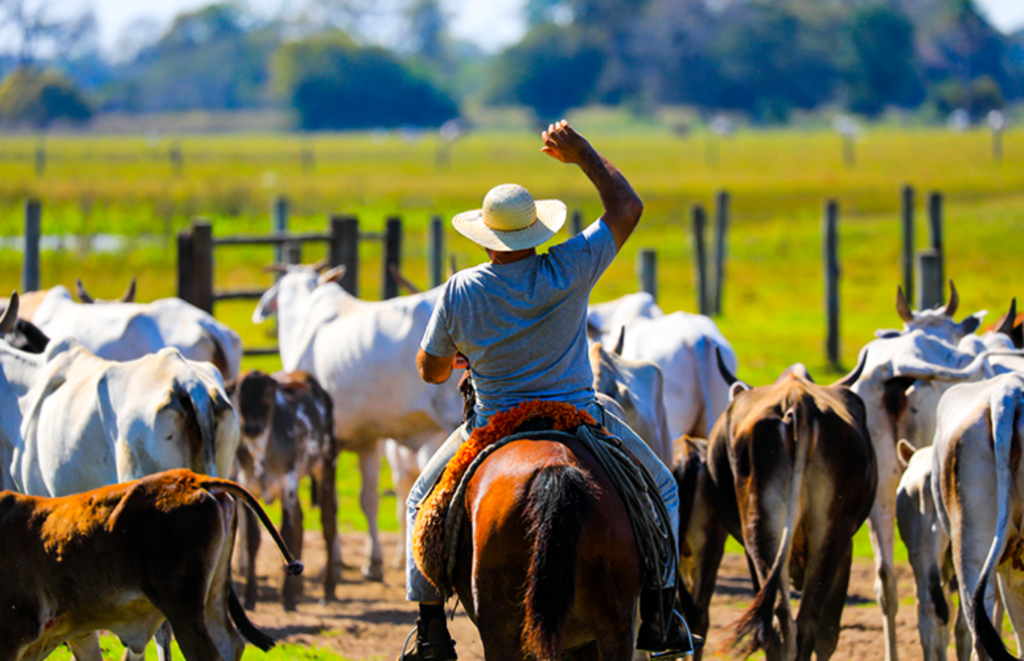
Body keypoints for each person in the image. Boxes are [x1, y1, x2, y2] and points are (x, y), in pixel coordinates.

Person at [403, 120, 694, 661]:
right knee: (664, 492)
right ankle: (661, 615)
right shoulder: (571, 263)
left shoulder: (462, 289)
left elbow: (432, 371)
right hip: (578, 416)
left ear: (485, 236)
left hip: (493, 424)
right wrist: (583, 154)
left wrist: (461, 354)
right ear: (535, 230)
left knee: (422, 501)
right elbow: (627, 208)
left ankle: (430, 634)